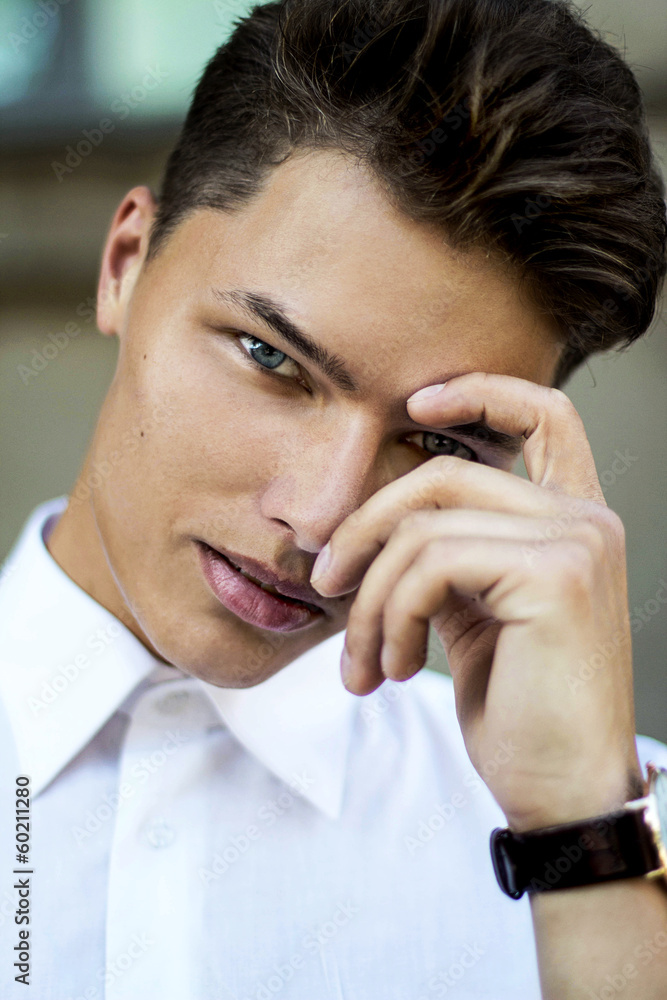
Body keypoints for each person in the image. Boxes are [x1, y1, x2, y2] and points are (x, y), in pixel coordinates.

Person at [1, 0, 666, 996]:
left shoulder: (622, 841)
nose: (319, 519)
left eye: (437, 441)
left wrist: (583, 841)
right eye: (271, 358)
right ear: (124, 266)